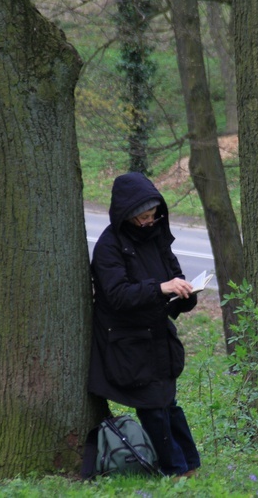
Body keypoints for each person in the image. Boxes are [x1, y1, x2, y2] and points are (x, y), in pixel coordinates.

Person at [87, 171, 201, 478]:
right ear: (126, 216)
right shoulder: (109, 246)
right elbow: (116, 295)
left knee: (169, 405)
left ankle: (190, 466)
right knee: (153, 409)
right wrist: (161, 288)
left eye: (152, 216)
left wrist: (186, 294)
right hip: (128, 342)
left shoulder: (157, 237)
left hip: (159, 338)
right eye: (142, 218)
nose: (148, 222)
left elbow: (172, 279)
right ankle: (174, 470)